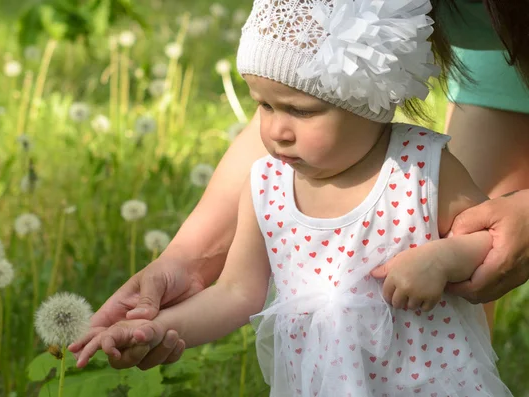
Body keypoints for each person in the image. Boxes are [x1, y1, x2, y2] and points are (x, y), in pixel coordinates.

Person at [72, 1, 516, 395]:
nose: (276, 131)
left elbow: (488, 237)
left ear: (368, 100)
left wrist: (442, 259)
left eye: (300, 110)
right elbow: (235, 292)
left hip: (428, 382)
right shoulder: (267, 185)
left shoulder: (419, 167)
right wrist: (157, 326)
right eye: (264, 106)